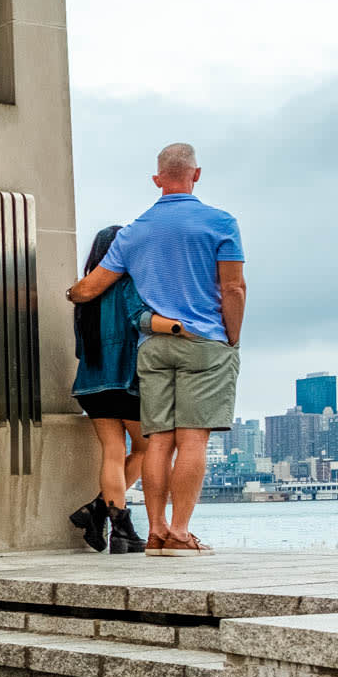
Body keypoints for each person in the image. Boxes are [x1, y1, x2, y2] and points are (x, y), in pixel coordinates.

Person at [67, 142, 245, 557]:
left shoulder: (133, 232)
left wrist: (70, 291)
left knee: (159, 439)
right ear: (196, 175)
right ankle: (180, 533)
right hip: (204, 340)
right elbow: (234, 287)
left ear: (157, 179)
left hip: (151, 348)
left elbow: (90, 287)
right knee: (193, 440)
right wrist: (230, 336)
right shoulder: (220, 222)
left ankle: (156, 532)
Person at [66, 225, 154, 554]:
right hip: (124, 380)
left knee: (113, 453)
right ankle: (105, 515)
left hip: (91, 383)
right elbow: (140, 324)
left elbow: (79, 348)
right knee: (148, 449)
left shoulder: (83, 295)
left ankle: (113, 524)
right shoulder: (130, 285)